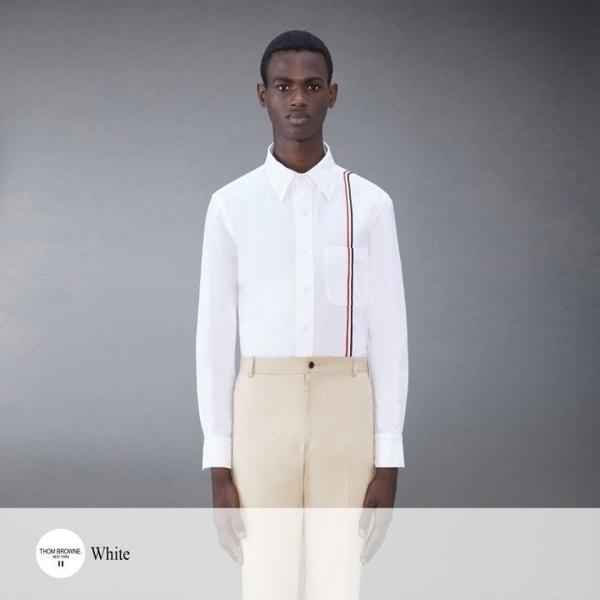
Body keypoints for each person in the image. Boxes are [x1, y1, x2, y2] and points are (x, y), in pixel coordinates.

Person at [195, 29, 409, 599]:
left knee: (339, 577)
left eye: (312, 86)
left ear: (332, 95)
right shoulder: (231, 206)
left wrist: (388, 459)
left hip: (346, 406)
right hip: (261, 407)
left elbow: (390, 335)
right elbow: (214, 339)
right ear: (261, 95)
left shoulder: (369, 205)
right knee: (265, 576)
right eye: (283, 86)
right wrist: (219, 465)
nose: (297, 99)